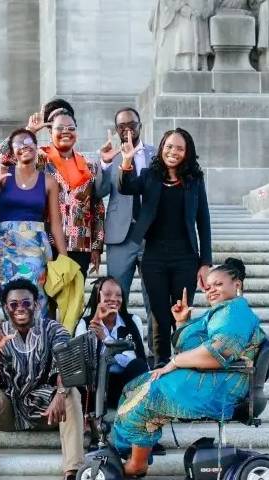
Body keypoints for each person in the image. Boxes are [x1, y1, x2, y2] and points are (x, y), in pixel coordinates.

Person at [113, 258, 267, 477]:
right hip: (215, 377)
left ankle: (137, 464)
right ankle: (131, 452)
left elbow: (215, 355)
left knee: (148, 396)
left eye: (219, 284)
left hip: (223, 385)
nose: (212, 290)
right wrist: (182, 322)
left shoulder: (235, 313)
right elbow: (197, 351)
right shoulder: (223, 312)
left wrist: (173, 363)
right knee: (135, 386)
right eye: (209, 286)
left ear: (237, 285)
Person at [0, 278, 84, 480]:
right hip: (9, 408)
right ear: (5, 307)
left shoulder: (53, 329)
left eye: (26, 303)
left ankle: (73, 471)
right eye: (13, 304)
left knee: (71, 392)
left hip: (48, 410)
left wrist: (60, 393)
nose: (20, 308)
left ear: (36, 305)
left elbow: (68, 365)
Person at [118, 127, 212, 366]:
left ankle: (183, 362)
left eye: (180, 148)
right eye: (169, 146)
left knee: (181, 313)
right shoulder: (150, 175)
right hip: (154, 257)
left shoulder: (194, 180)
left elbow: (204, 221)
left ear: (187, 153)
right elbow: (126, 187)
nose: (173, 152)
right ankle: (160, 365)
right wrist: (126, 161)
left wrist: (205, 263)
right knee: (159, 315)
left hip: (185, 258)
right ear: (161, 148)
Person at [0, 128, 67, 316]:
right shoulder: (3, 174)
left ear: (37, 147)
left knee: (37, 297)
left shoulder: (48, 181)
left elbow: (55, 224)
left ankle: (38, 342)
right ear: (12, 151)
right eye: (18, 143)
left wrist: (63, 259)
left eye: (29, 142)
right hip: (7, 247)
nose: (24, 146)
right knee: (10, 297)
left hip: (37, 247)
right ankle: (14, 343)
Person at [95, 108, 156, 336]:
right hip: (121, 237)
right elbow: (98, 192)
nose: (127, 129)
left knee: (154, 296)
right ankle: (119, 344)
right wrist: (103, 163)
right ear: (117, 129)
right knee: (117, 295)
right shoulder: (111, 156)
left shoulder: (156, 154)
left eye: (132, 124)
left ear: (140, 125)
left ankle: (154, 350)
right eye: (122, 126)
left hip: (151, 236)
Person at [27, 108, 105, 278]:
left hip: (80, 246)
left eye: (71, 128)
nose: (66, 132)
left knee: (74, 303)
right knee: (47, 302)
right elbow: (4, 157)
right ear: (49, 131)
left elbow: (97, 209)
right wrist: (29, 132)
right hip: (45, 244)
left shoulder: (89, 166)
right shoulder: (39, 159)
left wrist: (97, 246)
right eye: (60, 128)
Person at [74, 276, 148, 408]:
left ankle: (133, 408)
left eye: (118, 295)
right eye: (107, 294)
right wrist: (94, 331)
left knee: (139, 365)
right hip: (96, 387)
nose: (114, 299)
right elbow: (82, 362)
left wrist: (106, 339)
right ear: (98, 297)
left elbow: (134, 360)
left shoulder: (132, 321)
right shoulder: (85, 323)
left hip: (124, 385)